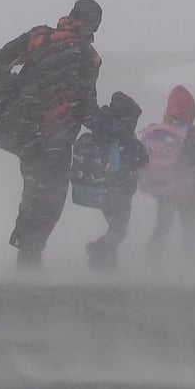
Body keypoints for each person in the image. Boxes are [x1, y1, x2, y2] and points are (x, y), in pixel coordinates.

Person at [0, 0, 106, 269]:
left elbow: (1, 59)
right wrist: (112, 128)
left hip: (27, 133)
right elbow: (88, 110)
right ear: (91, 23)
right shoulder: (88, 56)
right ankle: (31, 256)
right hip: (58, 139)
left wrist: (7, 90)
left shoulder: (38, 37)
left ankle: (25, 256)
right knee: (52, 200)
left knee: (32, 192)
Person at [140, 85, 195, 265]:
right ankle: (188, 262)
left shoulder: (158, 133)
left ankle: (153, 255)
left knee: (163, 225)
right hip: (187, 191)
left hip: (164, 187)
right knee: (189, 227)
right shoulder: (194, 135)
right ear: (192, 112)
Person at [81, 92, 148, 271]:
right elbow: (143, 158)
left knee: (114, 225)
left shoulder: (102, 127)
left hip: (102, 188)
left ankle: (106, 264)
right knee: (119, 229)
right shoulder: (125, 136)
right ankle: (100, 251)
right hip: (122, 189)